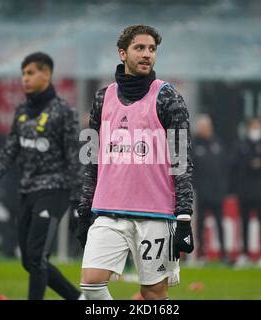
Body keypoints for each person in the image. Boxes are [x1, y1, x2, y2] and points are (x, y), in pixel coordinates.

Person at [76, 25, 194, 300]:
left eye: (152, 49)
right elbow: (92, 160)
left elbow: (182, 159)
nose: (147, 55)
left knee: (153, 295)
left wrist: (184, 217)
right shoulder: (102, 98)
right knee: (90, 284)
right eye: (139, 48)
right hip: (108, 210)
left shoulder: (168, 97)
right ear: (122, 53)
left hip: (155, 214)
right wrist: (84, 210)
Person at [0, 52, 83, 300]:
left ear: (47, 74)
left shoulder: (63, 111)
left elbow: (74, 158)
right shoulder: (22, 110)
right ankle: (78, 299)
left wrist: (78, 202)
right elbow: (10, 149)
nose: (25, 78)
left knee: (36, 257)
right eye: (23, 73)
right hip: (26, 190)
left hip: (55, 191)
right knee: (29, 260)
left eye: (31, 73)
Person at [230, 117, 261, 270]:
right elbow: (236, 164)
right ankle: (244, 254)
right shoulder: (241, 145)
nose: (256, 129)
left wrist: (256, 164)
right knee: (244, 223)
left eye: (258, 126)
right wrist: (252, 163)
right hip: (245, 191)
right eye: (253, 126)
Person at [192, 114, 231, 265]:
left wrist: (223, 186)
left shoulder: (218, 144)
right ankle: (201, 254)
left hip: (217, 192)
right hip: (201, 193)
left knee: (220, 224)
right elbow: (191, 169)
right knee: (200, 225)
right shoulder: (194, 145)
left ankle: (224, 254)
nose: (206, 129)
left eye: (208, 126)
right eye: (203, 127)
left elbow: (224, 167)